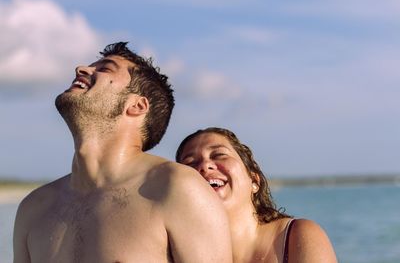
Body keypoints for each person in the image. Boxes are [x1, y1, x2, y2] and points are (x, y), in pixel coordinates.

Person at [13, 43, 232, 263]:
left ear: (137, 105)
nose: (81, 69)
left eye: (106, 68)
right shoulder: (34, 208)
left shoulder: (177, 189)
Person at [176, 127, 338, 263]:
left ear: (254, 181)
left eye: (219, 155)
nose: (204, 166)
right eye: (190, 163)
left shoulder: (298, 236)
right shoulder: (176, 253)